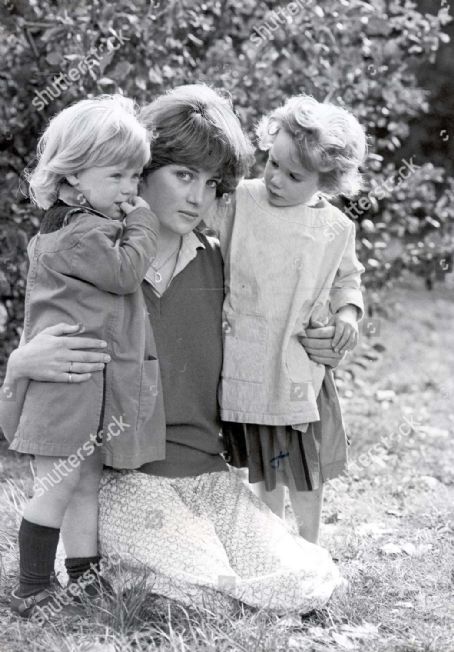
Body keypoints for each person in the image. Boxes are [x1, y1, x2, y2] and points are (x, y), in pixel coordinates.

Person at [0, 85, 347, 616]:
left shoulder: (223, 261)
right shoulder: (94, 265)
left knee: (305, 577)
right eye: (183, 176)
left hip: (211, 482)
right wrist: (19, 365)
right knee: (200, 593)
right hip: (129, 486)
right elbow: (29, 412)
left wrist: (338, 326)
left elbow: (311, 260)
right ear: (142, 172)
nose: (196, 197)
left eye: (212, 184)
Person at [4, 95, 165, 617]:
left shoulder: (83, 226)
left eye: (136, 177)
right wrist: (145, 224)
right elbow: (124, 273)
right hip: (63, 386)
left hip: (83, 384)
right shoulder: (80, 233)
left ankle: (85, 577)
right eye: (117, 176)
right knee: (59, 485)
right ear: (72, 180)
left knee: (83, 484)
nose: (130, 190)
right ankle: (32, 586)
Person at [216, 95, 366, 543]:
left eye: (294, 175)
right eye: (272, 163)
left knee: (304, 464)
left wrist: (348, 315)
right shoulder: (241, 202)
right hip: (249, 357)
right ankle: (272, 547)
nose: (276, 178)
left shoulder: (336, 228)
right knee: (266, 464)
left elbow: (348, 280)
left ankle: (308, 545)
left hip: (300, 364)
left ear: (328, 180)